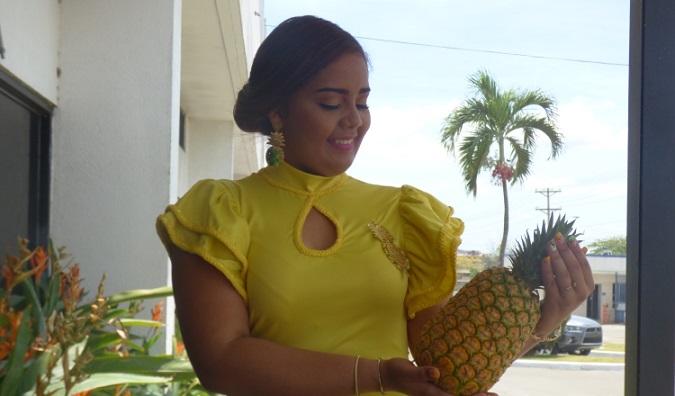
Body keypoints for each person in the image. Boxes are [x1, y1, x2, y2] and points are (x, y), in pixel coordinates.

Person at [156, 15, 593, 396]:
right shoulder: (221, 212)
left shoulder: (404, 213)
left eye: (362, 100)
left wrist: (544, 320)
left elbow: (438, 369)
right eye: (331, 102)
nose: (355, 118)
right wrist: (379, 375)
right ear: (276, 111)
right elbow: (221, 361)